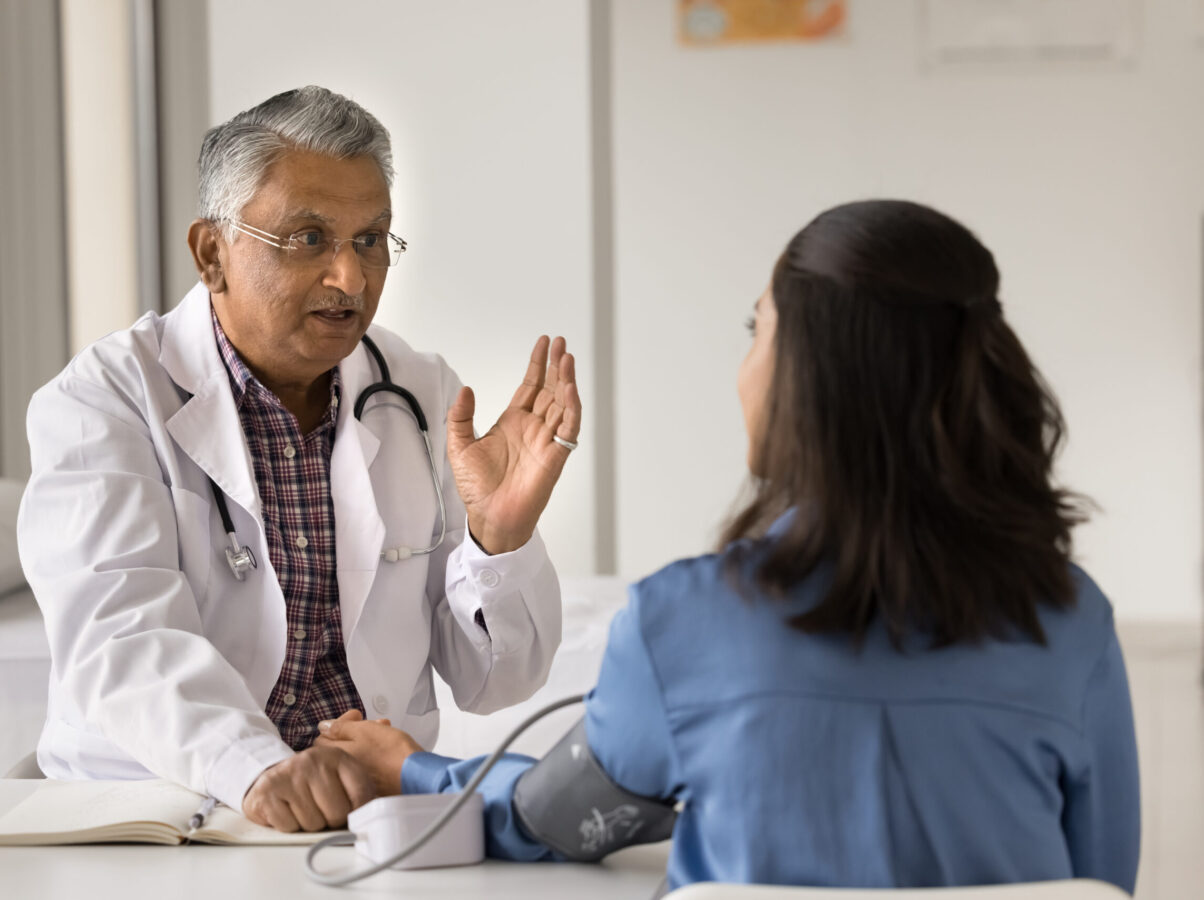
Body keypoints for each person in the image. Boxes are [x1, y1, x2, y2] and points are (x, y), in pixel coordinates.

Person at [317, 200, 1140, 893]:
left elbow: (550, 818)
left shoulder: (686, 623)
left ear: (808, 375)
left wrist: (410, 769)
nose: (746, 364)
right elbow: (1100, 884)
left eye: (759, 328)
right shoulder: (1072, 623)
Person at [17, 86, 580, 833]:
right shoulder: (104, 401)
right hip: (163, 813)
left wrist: (499, 539)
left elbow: (495, 681)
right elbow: (122, 643)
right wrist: (260, 769)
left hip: (367, 809)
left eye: (371, 239)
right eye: (309, 238)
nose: (351, 279)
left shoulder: (417, 391)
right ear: (212, 253)